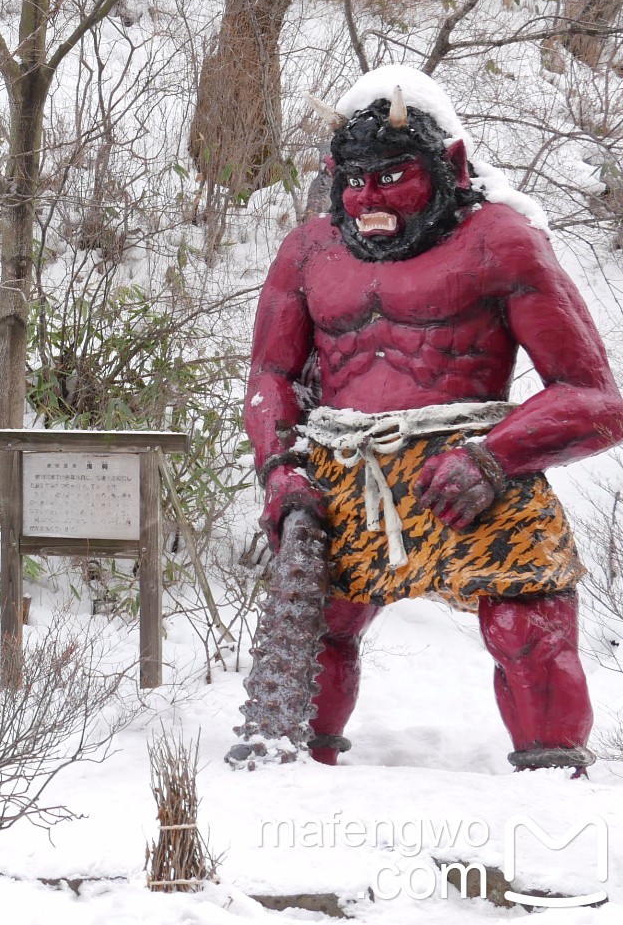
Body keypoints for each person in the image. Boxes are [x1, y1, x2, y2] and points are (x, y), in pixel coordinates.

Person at [247, 67, 623, 770]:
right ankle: (293, 793)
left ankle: (553, 796)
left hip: (478, 468)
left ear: (447, 165)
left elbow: (596, 400)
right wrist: (279, 467)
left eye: (393, 177)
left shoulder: (501, 241)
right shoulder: (308, 251)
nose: (368, 199)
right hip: (346, 472)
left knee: (528, 625)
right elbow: (270, 378)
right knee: (314, 630)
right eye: (354, 180)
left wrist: (492, 456)